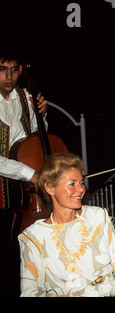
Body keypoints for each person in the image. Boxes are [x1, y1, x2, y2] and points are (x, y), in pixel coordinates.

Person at [18, 152, 115, 296]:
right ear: (50, 188)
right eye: (72, 184)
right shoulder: (33, 237)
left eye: (81, 183)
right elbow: (30, 293)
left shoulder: (98, 216)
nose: (81, 189)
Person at [0, 48, 48, 297]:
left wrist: (42, 114)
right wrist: (29, 173)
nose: (9, 76)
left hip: (24, 192)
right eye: (2, 69)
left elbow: (36, 137)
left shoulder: (25, 96)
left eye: (14, 69)